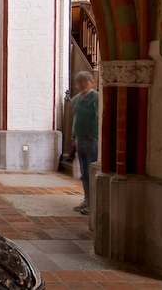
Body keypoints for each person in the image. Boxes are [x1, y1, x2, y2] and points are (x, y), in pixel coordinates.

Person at [70, 70, 99, 215]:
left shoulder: (95, 98)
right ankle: (86, 199)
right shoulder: (76, 99)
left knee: (92, 172)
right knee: (84, 173)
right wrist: (73, 136)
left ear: (91, 82)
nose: (82, 84)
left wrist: (94, 135)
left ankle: (93, 203)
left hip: (91, 140)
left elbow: (98, 117)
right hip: (80, 140)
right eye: (79, 82)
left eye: (85, 81)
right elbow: (75, 119)